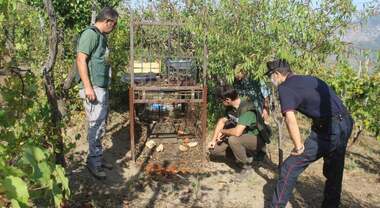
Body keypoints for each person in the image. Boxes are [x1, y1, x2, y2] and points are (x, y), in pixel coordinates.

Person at [266, 59, 354, 207]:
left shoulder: (285, 87)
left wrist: (299, 146)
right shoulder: (311, 79)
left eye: (270, 76)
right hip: (346, 123)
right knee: (334, 172)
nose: (271, 80)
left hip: (328, 129)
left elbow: (290, 118)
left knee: (290, 167)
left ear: (277, 74)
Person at [77, 7, 118, 179]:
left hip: (101, 88)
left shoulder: (101, 36)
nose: (114, 28)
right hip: (93, 88)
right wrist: (88, 87)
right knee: (95, 126)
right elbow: (81, 59)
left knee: (101, 126)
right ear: (107, 21)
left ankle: (97, 159)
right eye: (114, 24)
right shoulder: (90, 34)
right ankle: (93, 164)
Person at [208, 85, 266, 171]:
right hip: (242, 136)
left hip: (256, 138)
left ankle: (245, 165)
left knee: (233, 140)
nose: (220, 103)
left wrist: (223, 131)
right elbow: (222, 121)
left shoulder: (247, 108)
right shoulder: (230, 107)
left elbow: (237, 132)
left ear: (227, 100)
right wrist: (213, 140)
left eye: (221, 100)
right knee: (214, 150)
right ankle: (240, 155)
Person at [234, 68, 271, 160]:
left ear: (243, 71)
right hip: (244, 112)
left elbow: (266, 98)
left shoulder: (257, 79)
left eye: (237, 72)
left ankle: (261, 153)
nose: (236, 75)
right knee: (246, 132)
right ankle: (248, 153)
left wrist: (266, 114)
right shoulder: (237, 83)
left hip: (257, 111)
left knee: (260, 131)